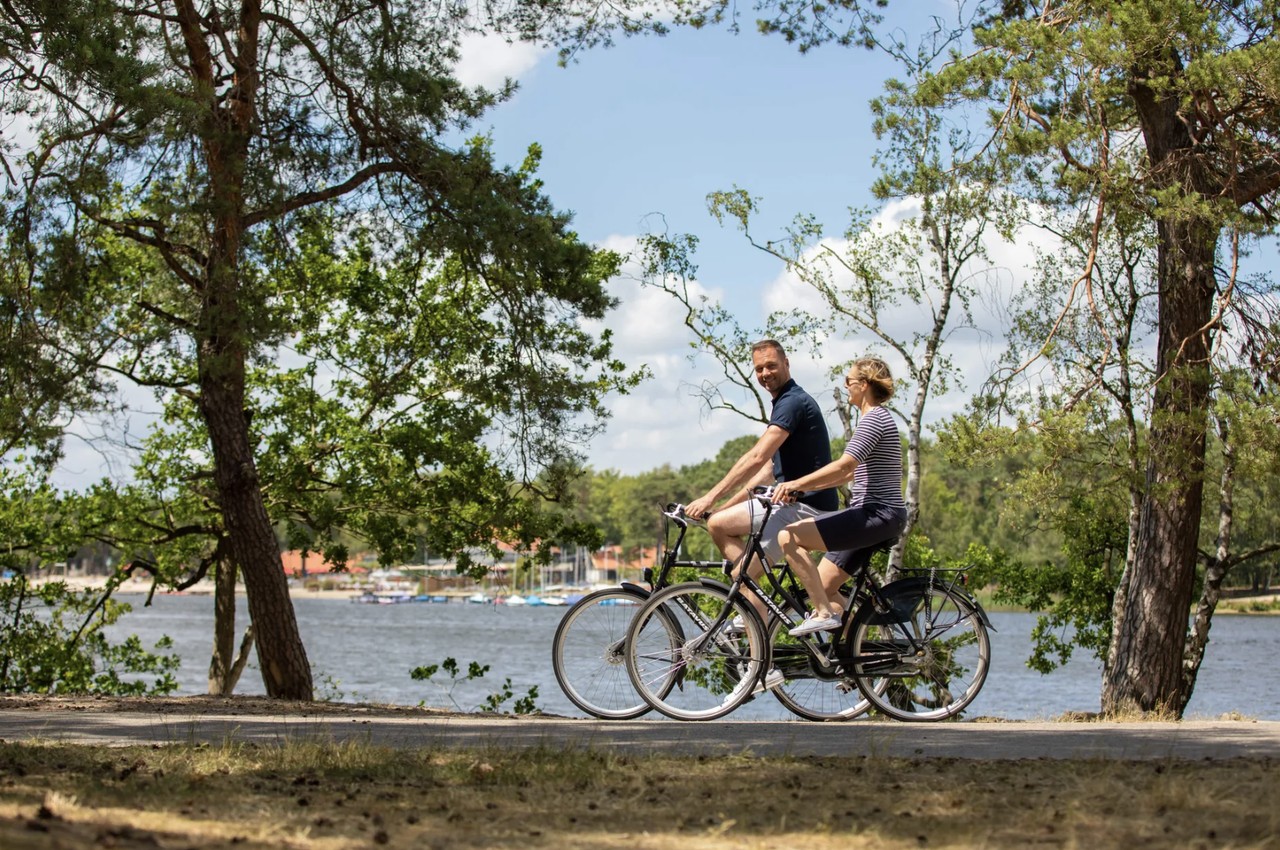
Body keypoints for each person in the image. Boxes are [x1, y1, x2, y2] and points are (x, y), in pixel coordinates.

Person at [685, 339, 839, 631]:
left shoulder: (792, 402)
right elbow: (770, 470)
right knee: (718, 525)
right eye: (759, 369)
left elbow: (757, 457)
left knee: (741, 572)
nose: (765, 373)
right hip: (788, 503)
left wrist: (708, 497)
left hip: (806, 506)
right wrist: (718, 509)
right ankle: (755, 601)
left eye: (771, 365)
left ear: (786, 364)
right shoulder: (783, 403)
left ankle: (756, 621)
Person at [771, 356, 907, 636]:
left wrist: (796, 483)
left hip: (876, 513)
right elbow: (846, 476)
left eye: (849, 381)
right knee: (820, 586)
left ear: (865, 384)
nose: (846, 386)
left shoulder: (875, 419)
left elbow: (844, 466)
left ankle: (822, 614)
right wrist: (803, 490)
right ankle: (860, 657)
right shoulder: (875, 419)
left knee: (789, 536)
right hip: (877, 515)